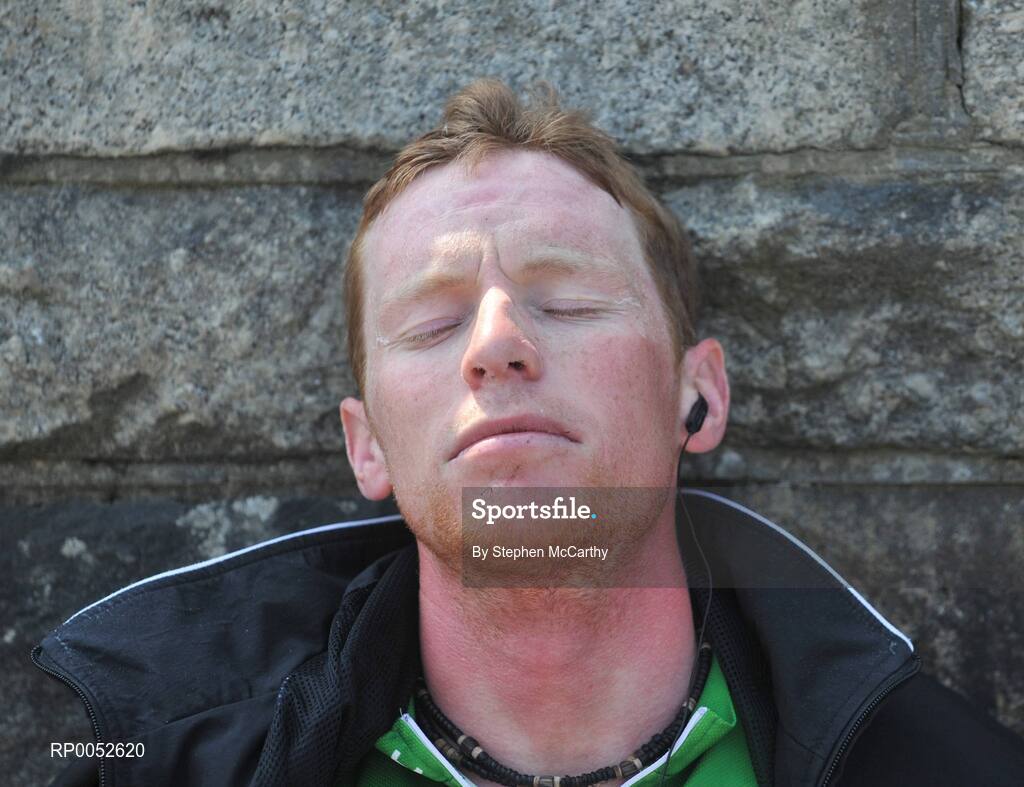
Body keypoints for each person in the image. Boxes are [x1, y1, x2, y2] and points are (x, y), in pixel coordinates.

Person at [36, 79, 1024, 787]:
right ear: (365, 444)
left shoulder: (945, 767)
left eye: (567, 300)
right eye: (432, 321)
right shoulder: (154, 762)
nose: (498, 343)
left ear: (700, 396)